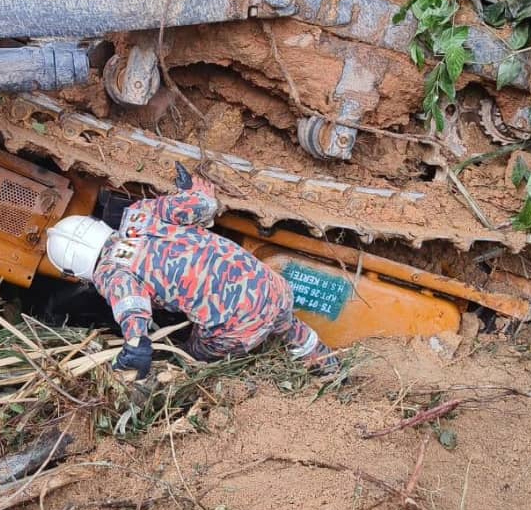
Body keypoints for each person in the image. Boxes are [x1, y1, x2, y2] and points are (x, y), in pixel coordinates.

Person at [44, 162, 336, 379]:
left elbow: (131, 309)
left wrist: (136, 347)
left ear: (75, 271)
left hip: (239, 325)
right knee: (288, 325)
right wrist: (192, 191)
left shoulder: (112, 272)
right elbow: (201, 205)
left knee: (190, 355)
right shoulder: (139, 215)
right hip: (271, 286)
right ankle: (328, 367)